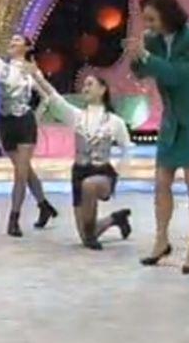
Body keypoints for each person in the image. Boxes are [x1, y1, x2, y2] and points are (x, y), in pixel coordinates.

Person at [126, 0, 189, 274]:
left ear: (167, 16)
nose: (148, 25)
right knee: (161, 180)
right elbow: (141, 72)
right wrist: (136, 57)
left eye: (152, 19)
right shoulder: (152, 40)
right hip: (171, 118)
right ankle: (161, 240)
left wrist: (146, 57)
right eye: (145, 19)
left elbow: (177, 76)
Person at [0, 0, 58, 237]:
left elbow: (48, 96)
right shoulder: (0, 68)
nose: (12, 43)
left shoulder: (30, 71)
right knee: (24, 170)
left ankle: (13, 218)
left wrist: (36, 115)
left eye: (17, 41)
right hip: (6, 124)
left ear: (27, 47)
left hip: (25, 123)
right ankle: (44, 205)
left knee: (20, 174)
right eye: (12, 40)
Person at [30, 69, 133, 249]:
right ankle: (116, 219)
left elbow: (127, 148)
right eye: (84, 85)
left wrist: (119, 173)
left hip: (102, 173)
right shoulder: (76, 116)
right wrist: (36, 76)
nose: (85, 88)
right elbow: (54, 98)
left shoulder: (115, 121)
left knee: (90, 185)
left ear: (102, 89)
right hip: (79, 172)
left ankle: (96, 229)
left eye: (90, 84)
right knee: (86, 235)